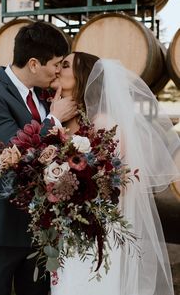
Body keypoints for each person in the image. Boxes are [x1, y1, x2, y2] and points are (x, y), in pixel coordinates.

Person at [50, 51, 180, 295]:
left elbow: (114, 182)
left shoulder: (104, 122)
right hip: (67, 223)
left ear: (82, 77)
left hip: (95, 226)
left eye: (65, 65)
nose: (58, 69)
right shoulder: (64, 119)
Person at [0, 21, 77, 295]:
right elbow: (16, 151)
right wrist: (54, 119)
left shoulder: (44, 93)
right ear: (35, 63)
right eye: (57, 63)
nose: (59, 70)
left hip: (39, 228)